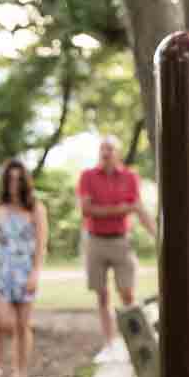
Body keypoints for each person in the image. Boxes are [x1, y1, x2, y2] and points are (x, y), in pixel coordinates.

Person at [77, 135, 156, 361]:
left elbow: (138, 208)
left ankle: (133, 343)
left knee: (127, 293)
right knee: (102, 295)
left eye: (110, 149)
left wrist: (156, 235)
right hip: (95, 241)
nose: (105, 153)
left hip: (121, 241)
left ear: (117, 153)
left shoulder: (130, 177)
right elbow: (86, 210)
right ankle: (110, 344)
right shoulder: (88, 177)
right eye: (102, 149)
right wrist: (122, 209)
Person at [0, 158, 48, 377]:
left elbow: (41, 245)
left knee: (23, 326)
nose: (14, 184)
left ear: (25, 182)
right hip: (0, 272)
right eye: (10, 179)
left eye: (18, 179)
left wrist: (36, 273)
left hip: (25, 272)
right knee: (4, 323)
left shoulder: (36, 209)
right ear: (4, 181)